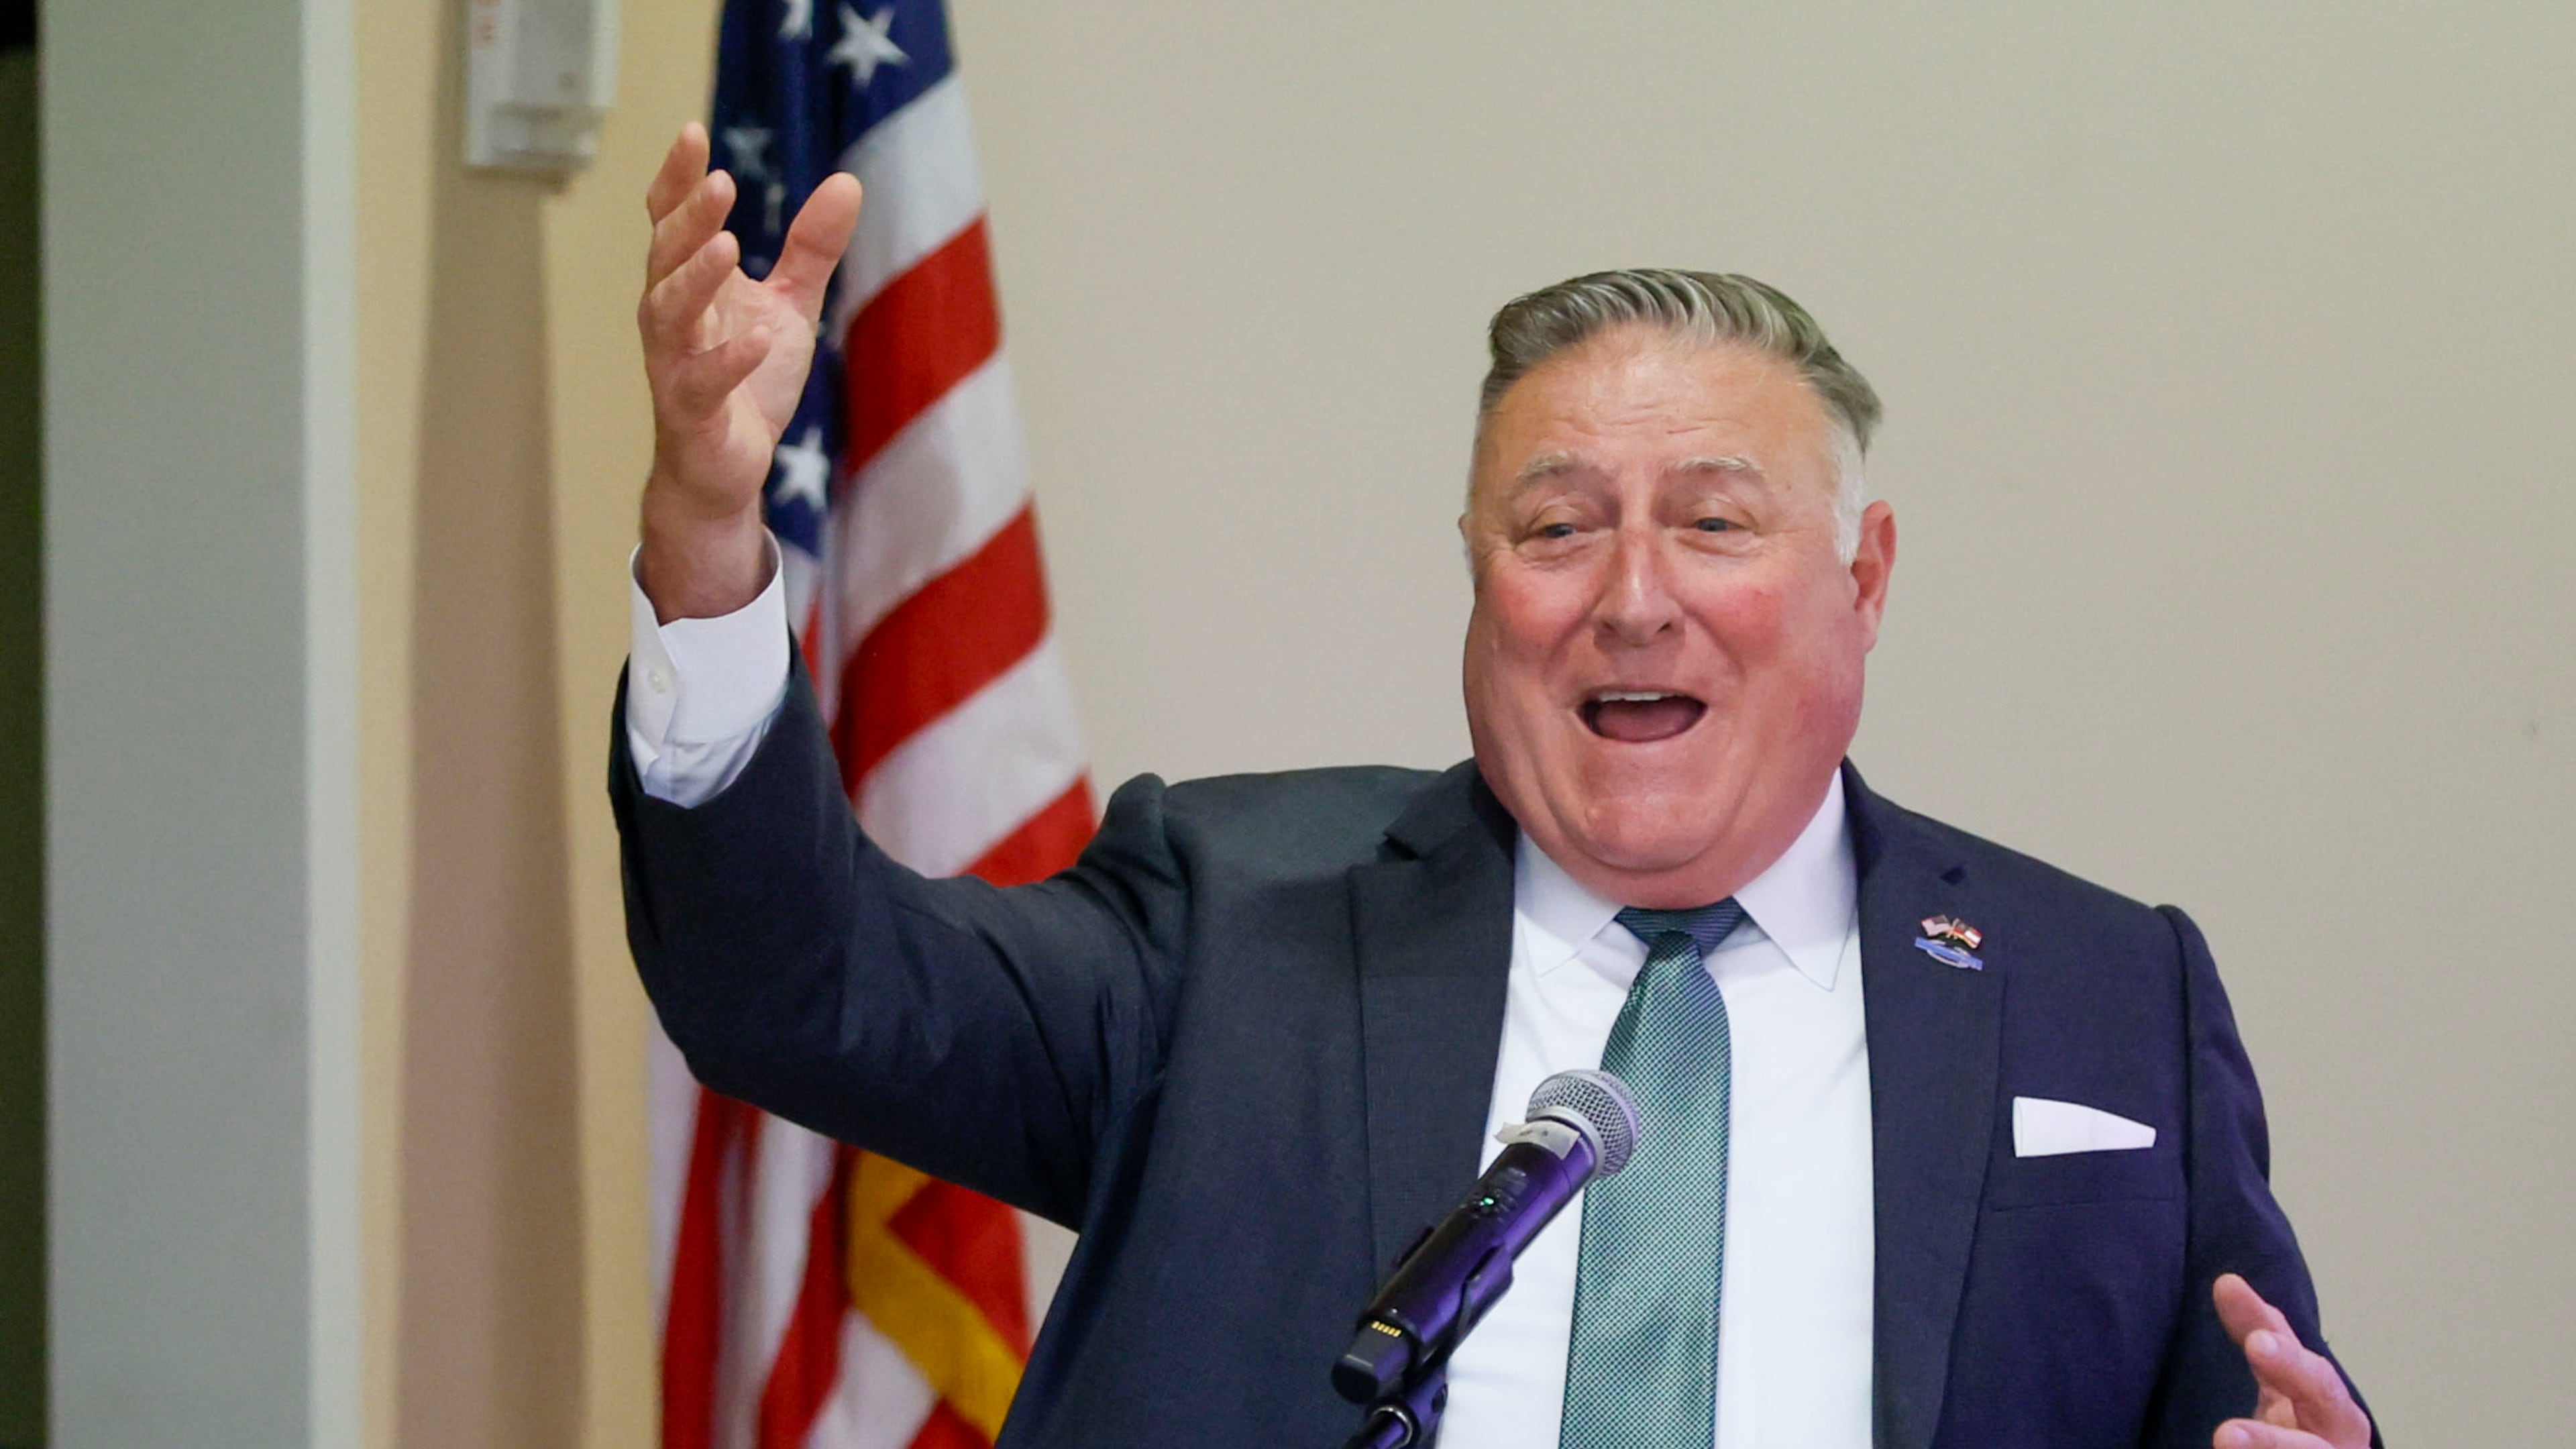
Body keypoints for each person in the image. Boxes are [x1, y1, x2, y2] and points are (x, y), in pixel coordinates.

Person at [616, 125, 2378, 1448]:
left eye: (1713, 521)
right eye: (1555, 528)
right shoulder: (1229, 923)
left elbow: (2259, 1407)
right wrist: (709, 543)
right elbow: (800, 991)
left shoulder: (2108, 998)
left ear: (1866, 579)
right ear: (1478, 576)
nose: (1630, 593)